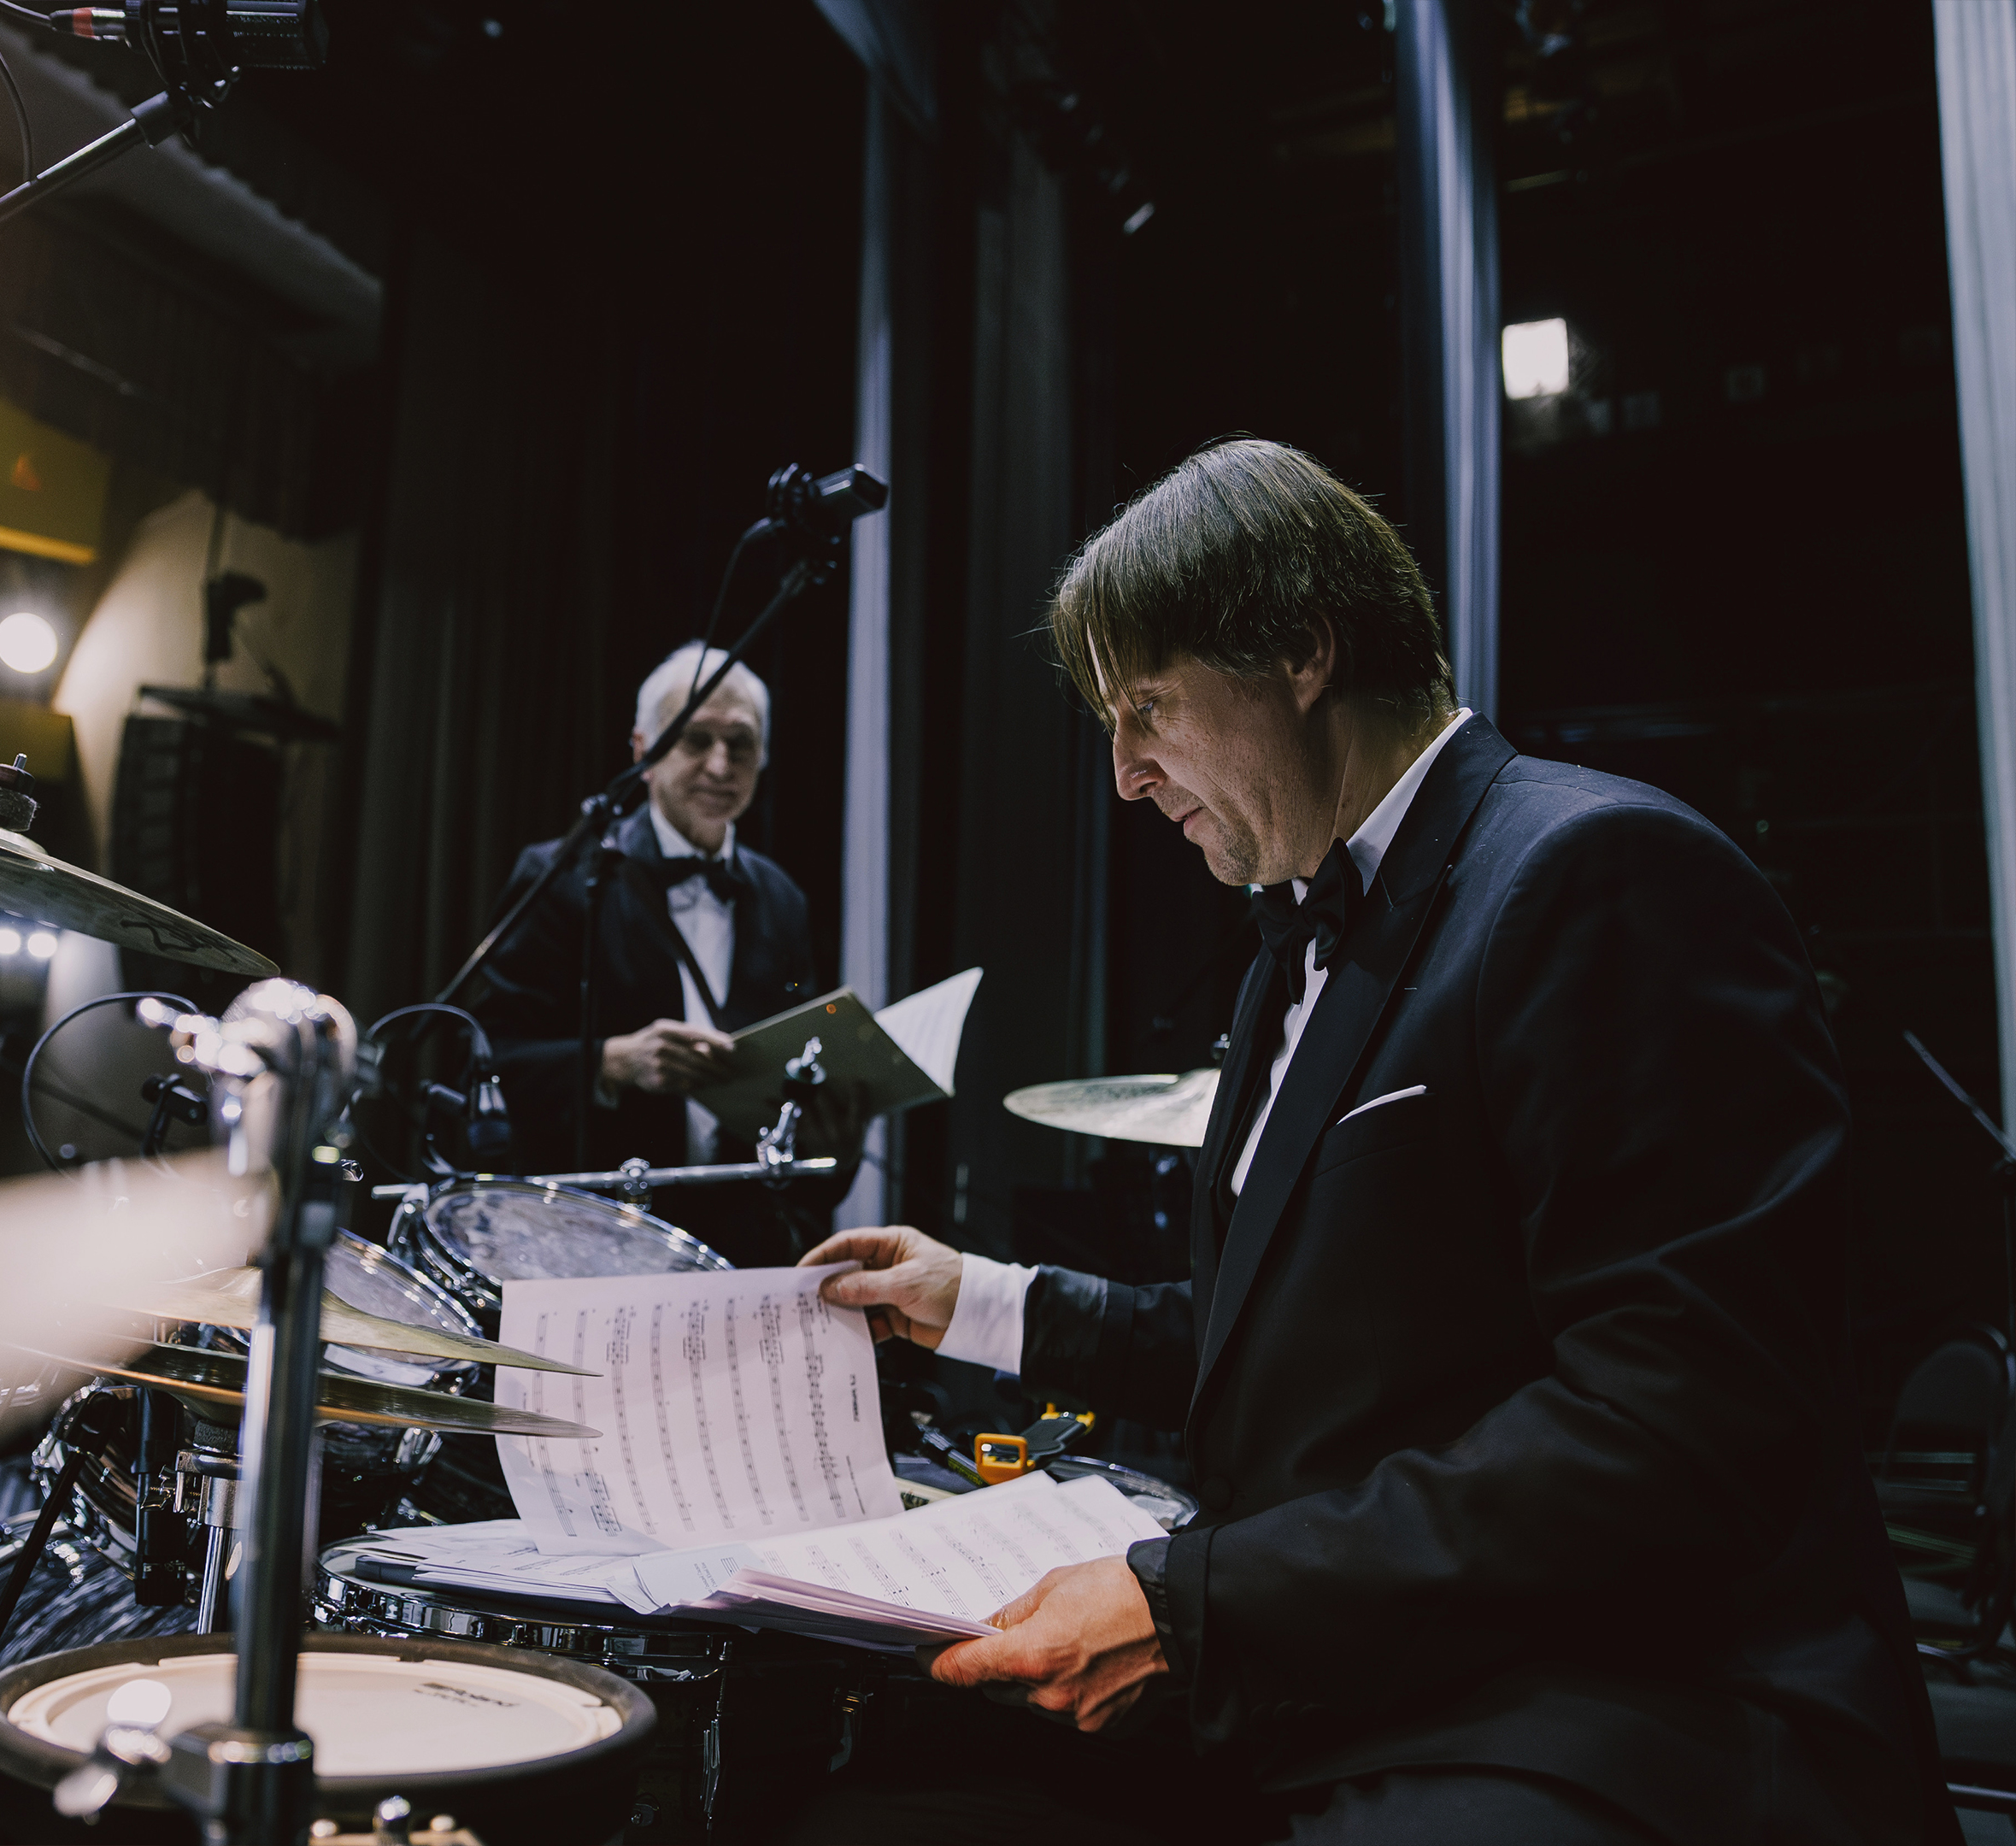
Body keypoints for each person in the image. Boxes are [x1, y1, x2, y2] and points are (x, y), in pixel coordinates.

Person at [796, 439, 1948, 1843]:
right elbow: (1303, 1346)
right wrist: (971, 1298)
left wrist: (1192, 1606)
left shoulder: (1597, 873)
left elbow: (1674, 1426)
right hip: (1362, 1672)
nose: (1125, 775)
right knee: (865, 1801)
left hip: (1618, 1707)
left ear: (1301, 652)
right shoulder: (1291, 949)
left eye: (1147, 709)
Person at [472, 642, 845, 1267]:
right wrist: (613, 1062)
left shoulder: (783, 899)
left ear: (764, 757)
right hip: (589, 1239)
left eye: (741, 744)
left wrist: (830, 1124)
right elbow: (487, 1061)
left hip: (736, 1248)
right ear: (643, 752)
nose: (720, 765)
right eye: (695, 740)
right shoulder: (562, 876)